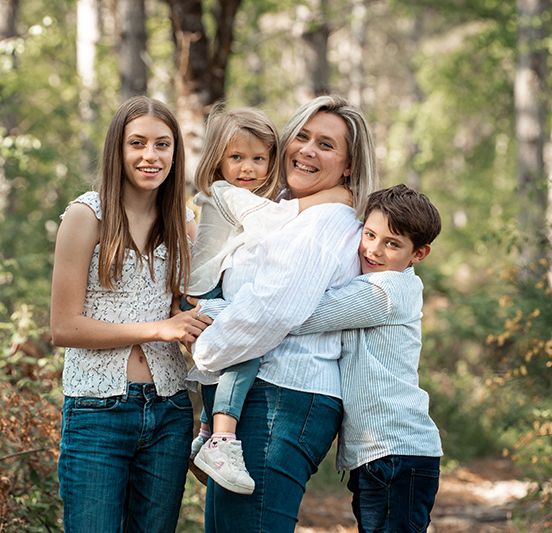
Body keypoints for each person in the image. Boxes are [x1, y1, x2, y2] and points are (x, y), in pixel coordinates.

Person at [190, 94, 378, 532]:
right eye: (302, 136)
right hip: (263, 394)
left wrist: (202, 345)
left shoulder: (324, 222)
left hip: (282, 397)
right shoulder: (282, 211)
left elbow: (271, 311)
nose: (307, 150)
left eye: (326, 145)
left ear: (349, 166)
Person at [49, 96, 210, 533]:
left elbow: (191, 310)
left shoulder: (183, 222)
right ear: (117, 150)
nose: (150, 155)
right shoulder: (87, 216)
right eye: (137, 143)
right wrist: (161, 328)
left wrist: (190, 319)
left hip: (169, 410)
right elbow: (64, 327)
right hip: (96, 410)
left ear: (175, 153)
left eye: (162, 144)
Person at [290, 184, 444, 532]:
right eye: (370, 234)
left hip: (395, 454)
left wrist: (213, 311)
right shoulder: (380, 282)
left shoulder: (386, 290)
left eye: (392, 244)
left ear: (419, 253)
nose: (373, 249)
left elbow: (301, 316)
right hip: (385, 454)